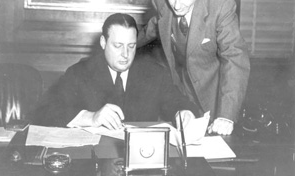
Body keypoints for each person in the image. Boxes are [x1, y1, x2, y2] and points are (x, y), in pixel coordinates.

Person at [138, 0, 250, 135]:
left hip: (213, 96)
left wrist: (226, 115)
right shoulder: (160, 0)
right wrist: (125, 45)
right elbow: (151, 29)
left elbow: (234, 57)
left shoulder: (221, 5)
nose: (176, 5)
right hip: (179, 93)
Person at [32, 13, 199, 129]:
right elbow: (44, 111)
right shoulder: (80, 73)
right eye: (118, 46)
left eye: (131, 46)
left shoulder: (154, 73)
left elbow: (180, 103)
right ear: (103, 43)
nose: (125, 55)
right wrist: (91, 117)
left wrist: (184, 113)